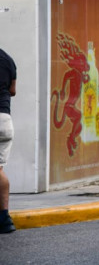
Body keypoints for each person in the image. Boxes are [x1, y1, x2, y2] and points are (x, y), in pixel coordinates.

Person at [0, 48, 16, 234]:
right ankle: (4, 218)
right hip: (5, 120)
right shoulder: (8, 59)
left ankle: (4, 218)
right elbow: (13, 90)